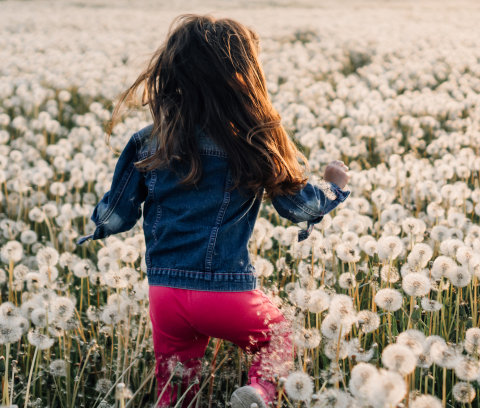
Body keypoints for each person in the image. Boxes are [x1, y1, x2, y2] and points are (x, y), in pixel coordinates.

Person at [76, 13, 350, 408]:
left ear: (171, 74)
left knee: (176, 387)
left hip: (164, 294)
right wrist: (334, 187)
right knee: (278, 333)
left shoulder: (146, 142)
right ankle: (259, 393)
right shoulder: (253, 141)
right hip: (225, 292)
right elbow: (300, 208)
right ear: (245, 78)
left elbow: (116, 216)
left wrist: (97, 227)